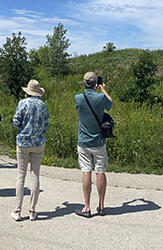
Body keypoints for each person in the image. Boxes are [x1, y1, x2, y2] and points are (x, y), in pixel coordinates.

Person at [74, 71, 112, 218]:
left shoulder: (78, 98)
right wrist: (102, 89)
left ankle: (87, 207)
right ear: (96, 83)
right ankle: (101, 206)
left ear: (84, 83)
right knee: (100, 171)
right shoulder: (100, 97)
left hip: (83, 141)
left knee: (86, 171)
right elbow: (110, 103)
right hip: (98, 141)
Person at [11, 79, 49, 221]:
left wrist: (22, 127)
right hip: (39, 142)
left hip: (23, 142)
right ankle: (32, 211)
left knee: (21, 175)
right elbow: (46, 124)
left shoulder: (23, 103)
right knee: (35, 175)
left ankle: (17, 211)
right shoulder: (43, 105)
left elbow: (16, 122)